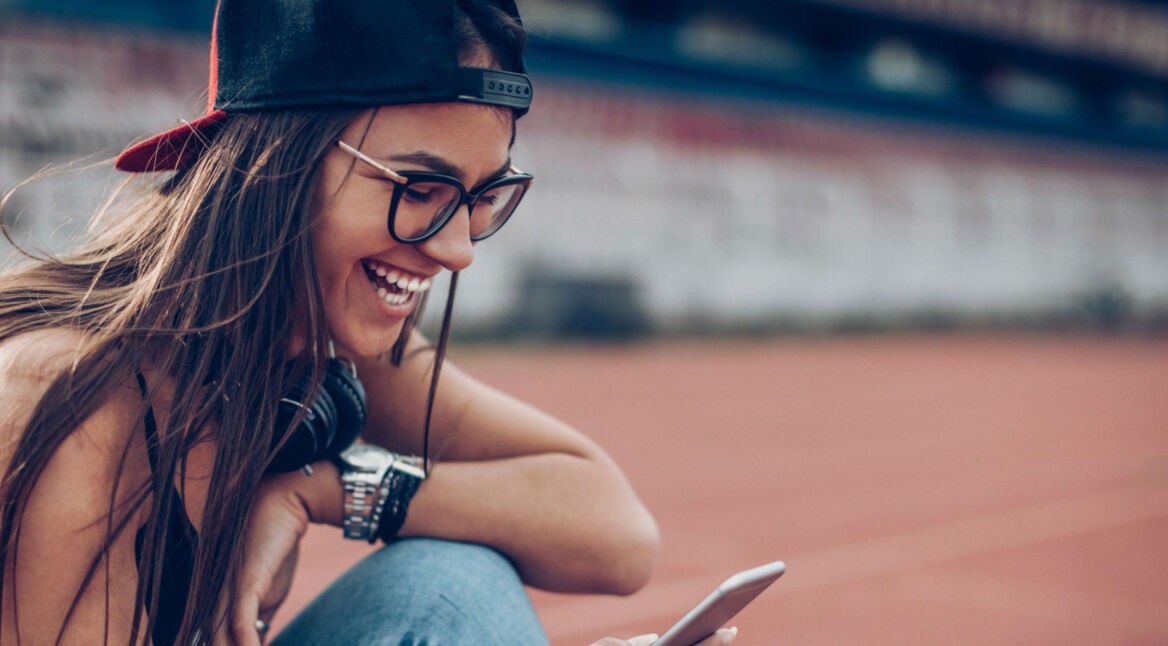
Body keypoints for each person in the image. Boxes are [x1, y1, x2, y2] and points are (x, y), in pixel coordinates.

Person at [0, 0, 741, 644]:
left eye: (485, 197)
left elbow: (617, 536)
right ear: (276, 164)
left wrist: (327, 490)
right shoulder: (75, 405)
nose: (456, 251)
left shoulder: (321, 345)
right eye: (420, 188)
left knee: (452, 582)